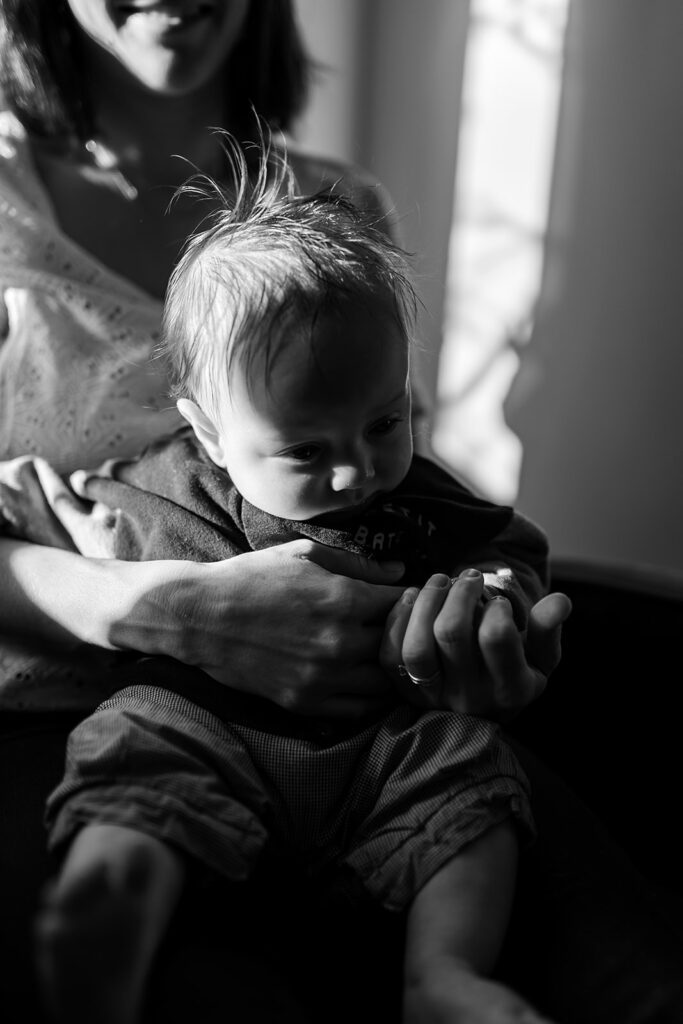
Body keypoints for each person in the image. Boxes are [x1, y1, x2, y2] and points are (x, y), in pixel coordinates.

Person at [0, 3, 678, 1024]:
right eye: (309, 450)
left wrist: (484, 617)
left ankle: (445, 976)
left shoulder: (340, 210)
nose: (352, 468)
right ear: (209, 433)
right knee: (145, 778)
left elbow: (465, 530)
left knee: (589, 915)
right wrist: (137, 596)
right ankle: (97, 942)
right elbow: (64, 517)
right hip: (112, 707)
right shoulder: (157, 472)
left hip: (381, 725)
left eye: (380, 426)